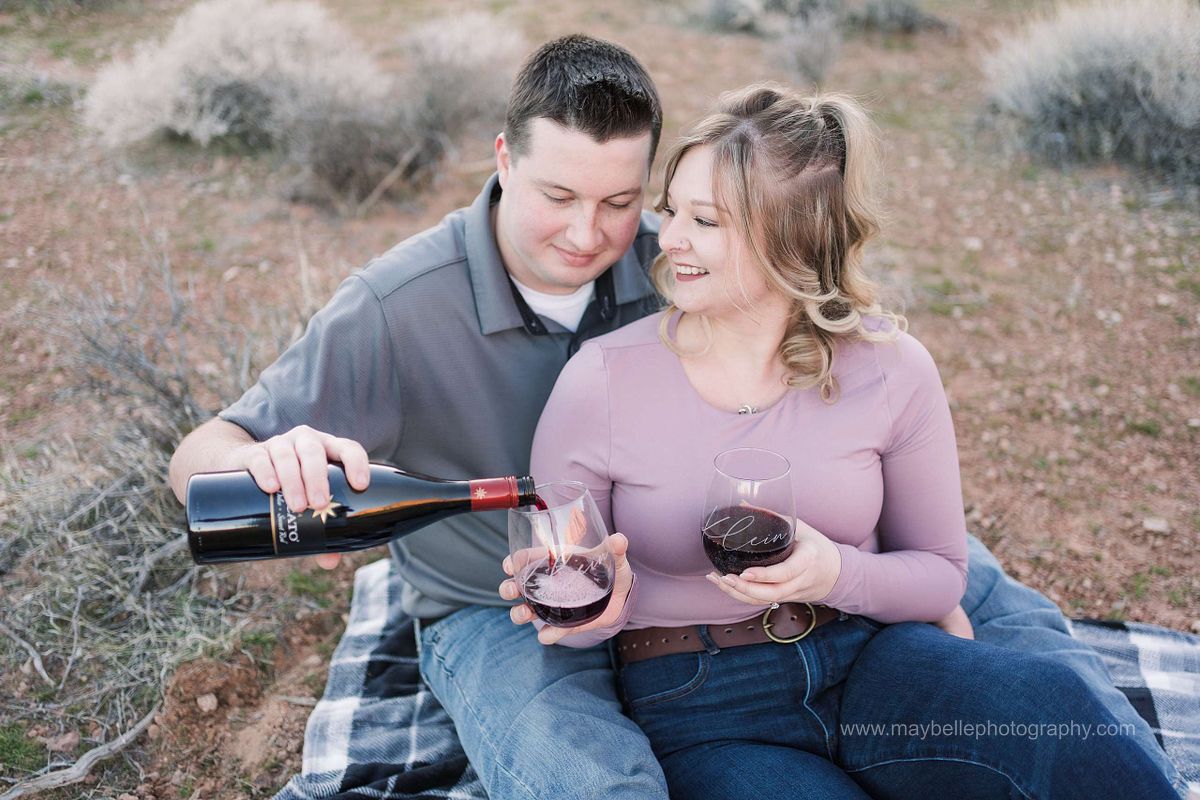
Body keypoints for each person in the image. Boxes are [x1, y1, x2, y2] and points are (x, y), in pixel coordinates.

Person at [167, 35, 1184, 799]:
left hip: (785, 569)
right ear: (503, 157)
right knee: (590, 777)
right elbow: (203, 458)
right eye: (559, 194)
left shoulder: (679, 253)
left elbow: (798, 291)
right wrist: (274, 455)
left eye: (622, 203)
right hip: (511, 595)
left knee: (1024, 642)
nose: (591, 233)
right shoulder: (396, 306)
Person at [515, 83, 1182, 798]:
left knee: (1057, 710)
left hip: (874, 662)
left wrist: (835, 573)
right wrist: (595, 612)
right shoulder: (603, 381)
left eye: (703, 220)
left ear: (791, 236)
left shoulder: (890, 368)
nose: (667, 236)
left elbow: (941, 573)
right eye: (670, 209)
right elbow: (569, 596)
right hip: (703, 700)